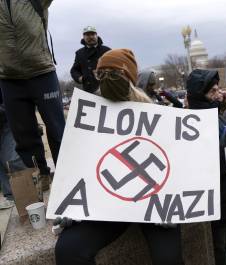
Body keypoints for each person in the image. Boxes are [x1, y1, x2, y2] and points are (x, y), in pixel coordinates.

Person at [55, 49, 184, 265]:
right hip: (107, 201)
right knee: (68, 250)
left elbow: (173, 162)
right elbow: (78, 163)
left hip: (153, 202)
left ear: (129, 77)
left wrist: (171, 204)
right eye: (101, 73)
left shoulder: (154, 112)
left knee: (168, 259)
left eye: (113, 73)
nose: (106, 78)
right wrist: (71, 204)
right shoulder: (88, 115)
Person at [0, 0, 65, 187]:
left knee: (57, 129)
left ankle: (66, 177)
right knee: (23, 134)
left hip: (42, 72)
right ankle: (40, 176)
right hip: (8, 78)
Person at [186, 69, 226, 265]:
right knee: (217, 248)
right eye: (213, 91)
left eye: (218, 89)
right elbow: (214, 158)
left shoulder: (214, 114)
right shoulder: (195, 121)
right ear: (200, 94)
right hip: (214, 199)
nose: (218, 94)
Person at [70, 26, 111, 93]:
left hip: (106, 90)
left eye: (93, 34)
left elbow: (115, 68)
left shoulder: (107, 51)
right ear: (84, 37)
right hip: (88, 91)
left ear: (96, 35)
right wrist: (80, 78)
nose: (91, 37)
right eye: (88, 35)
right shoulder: (79, 53)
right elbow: (74, 70)